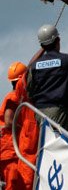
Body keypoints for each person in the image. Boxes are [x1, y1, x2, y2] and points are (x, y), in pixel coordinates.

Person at [0, 62, 26, 190]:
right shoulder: (14, 97)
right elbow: (9, 120)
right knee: (12, 182)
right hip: (9, 149)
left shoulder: (16, 96)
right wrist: (25, 129)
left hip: (8, 148)